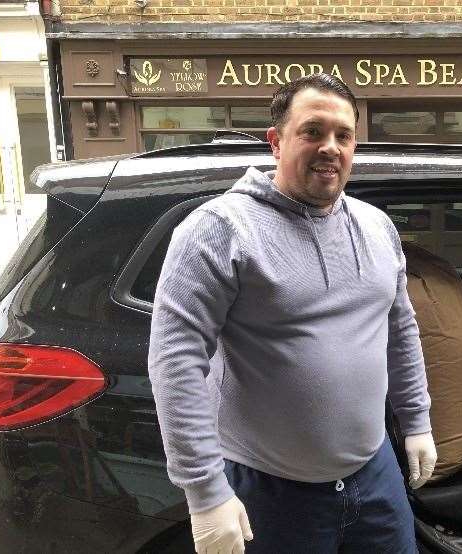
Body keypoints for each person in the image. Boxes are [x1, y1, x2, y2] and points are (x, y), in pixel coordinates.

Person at [148, 73, 436, 554]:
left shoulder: (377, 227)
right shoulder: (220, 231)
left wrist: (417, 421)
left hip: (375, 475)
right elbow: (176, 363)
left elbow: (399, 330)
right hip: (272, 491)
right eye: (312, 131)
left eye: (343, 136)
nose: (331, 147)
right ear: (276, 142)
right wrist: (205, 492)